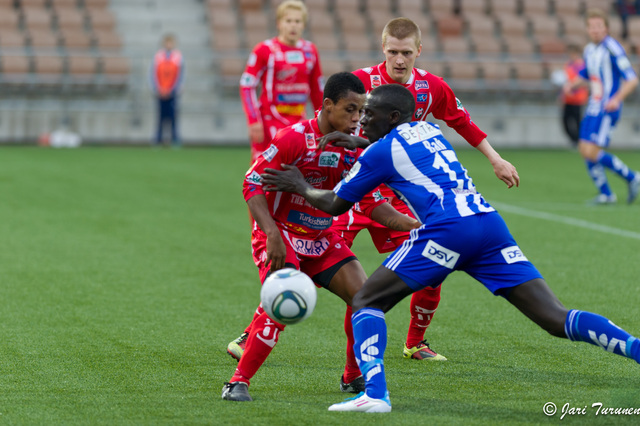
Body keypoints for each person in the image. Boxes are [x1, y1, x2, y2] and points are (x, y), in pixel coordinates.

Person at [261, 84, 640, 413]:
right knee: (555, 317)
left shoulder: (380, 153)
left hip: (447, 231)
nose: (363, 122)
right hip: (488, 226)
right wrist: (360, 142)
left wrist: (300, 185)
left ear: (392, 117)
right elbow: (399, 147)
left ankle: (374, 395)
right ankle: (635, 348)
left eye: (370, 115)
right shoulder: (429, 130)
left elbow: (334, 205)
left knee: (365, 301)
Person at [324, 17, 520, 362]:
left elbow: (462, 121)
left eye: (406, 53)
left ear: (419, 51)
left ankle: (415, 342)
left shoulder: (432, 87)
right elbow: (329, 124)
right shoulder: (359, 83)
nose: (399, 60)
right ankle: (259, 327)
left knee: (432, 269)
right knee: (312, 256)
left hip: (401, 199)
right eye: (393, 52)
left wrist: (496, 159)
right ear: (383, 49)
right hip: (358, 191)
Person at [221, 73, 421, 402]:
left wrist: (417, 226)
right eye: (350, 110)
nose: (357, 119)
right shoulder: (294, 139)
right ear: (327, 106)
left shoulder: (357, 150)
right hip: (281, 234)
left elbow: (372, 204)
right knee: (282, 300)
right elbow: (252, 183)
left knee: (366, 297)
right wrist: (270, 231)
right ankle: (237, 382)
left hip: (321, 237)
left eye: (362, 111)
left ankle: (353, 375)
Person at [563, 8, 640, 205]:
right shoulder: (589, 50)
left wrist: (616, 98)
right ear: (587, 30)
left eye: (600, 26)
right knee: (583, 148)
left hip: (607, 108)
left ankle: (633, 177)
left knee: (592, 151)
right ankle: (606, 194)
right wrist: (573, 84)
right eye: (592, 26)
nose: (596, 30)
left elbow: (631, 79)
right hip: (593, 106)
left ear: (606, 28)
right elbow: (588, 73)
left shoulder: (613, 48)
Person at [240, 0, 324, 163]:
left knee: (297, 174)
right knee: (263, 174)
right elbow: (246, 85)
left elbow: (317, 91)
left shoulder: (310, 50)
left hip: (299, 122)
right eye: (288, 21)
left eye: (297, 21)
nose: (293, 25)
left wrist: (322, 122)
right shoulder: (265, 50)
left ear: (303, 25)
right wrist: (253, 119)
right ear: (279, 23)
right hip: (268, 122)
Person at [150, 33, 184, 147]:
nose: (169, 45)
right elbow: (153, 74)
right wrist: (157, 88)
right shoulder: (158, 56)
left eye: (171, 42)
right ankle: (158, 139)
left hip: (172, 92)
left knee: (173, 116)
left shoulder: (178, 57)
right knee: (160, 116)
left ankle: (174, 139)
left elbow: (180, 75)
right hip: (160, 91)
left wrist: (173, 89)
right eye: (167, 42)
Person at [559, 44, 588, 147]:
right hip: (567, 98)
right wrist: (562, 96)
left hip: (578, 98)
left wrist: (573, 90)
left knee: (577, 121)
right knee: (565, 121)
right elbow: (565, 81)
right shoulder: (568, 65)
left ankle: (579, 141)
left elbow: (583, 81)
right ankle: (574, 140)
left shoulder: (581, 66)